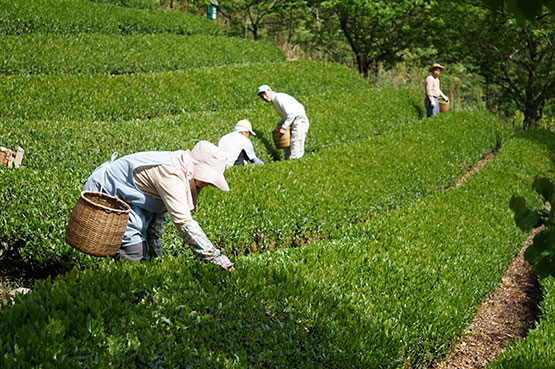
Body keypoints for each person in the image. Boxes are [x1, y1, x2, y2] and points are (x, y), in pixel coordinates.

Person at [82, 141, 234, 272]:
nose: (207, 184)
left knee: (145, 251)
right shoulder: (172, 174)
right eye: (207, 178)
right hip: (108, 193)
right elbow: (184, 222)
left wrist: (156, 254)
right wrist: (216, 258)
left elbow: (159, 216)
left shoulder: (182, 167)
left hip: (133, 200)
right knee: (134, 251)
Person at [257, 84, 309, 159]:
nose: (264, 97)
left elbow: (291, 114)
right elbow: (286, 116)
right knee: (288, 151)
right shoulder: (275, 101)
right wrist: (280, 123)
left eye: (265, 94)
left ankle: (296, 166)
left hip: (299, 121)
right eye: (262, 97)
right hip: (293, 122)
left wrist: (284, 128)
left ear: (270, 90)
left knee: (296, 147)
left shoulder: (279, 98)